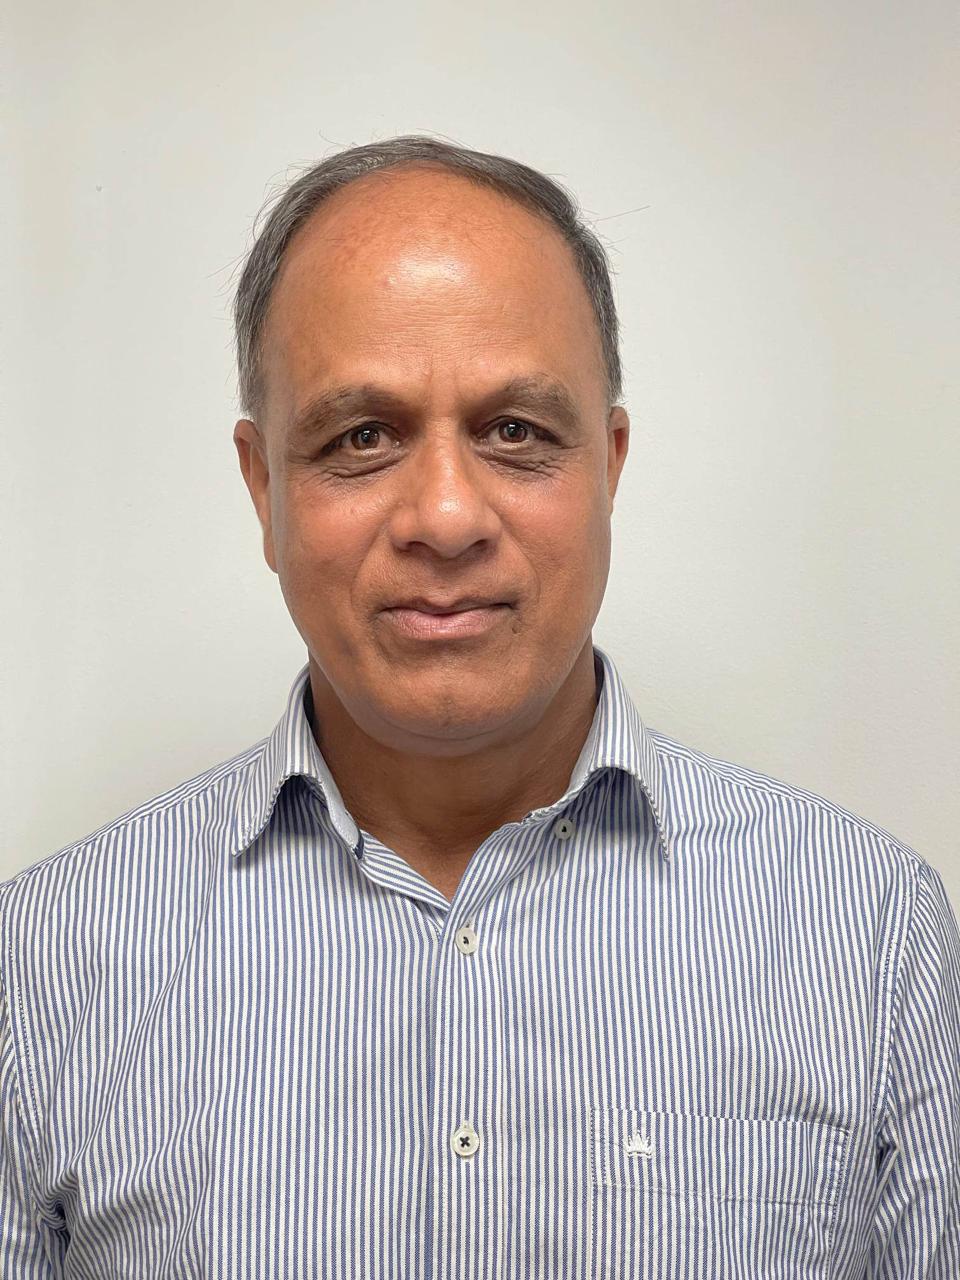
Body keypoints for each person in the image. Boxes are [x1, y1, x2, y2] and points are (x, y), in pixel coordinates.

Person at [1, 135, 957, 1279]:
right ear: (264, 489)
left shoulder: (868, 935)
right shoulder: (44, 965)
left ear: (609, 464)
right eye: (362, 437)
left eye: (516, 431)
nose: (446, 517)